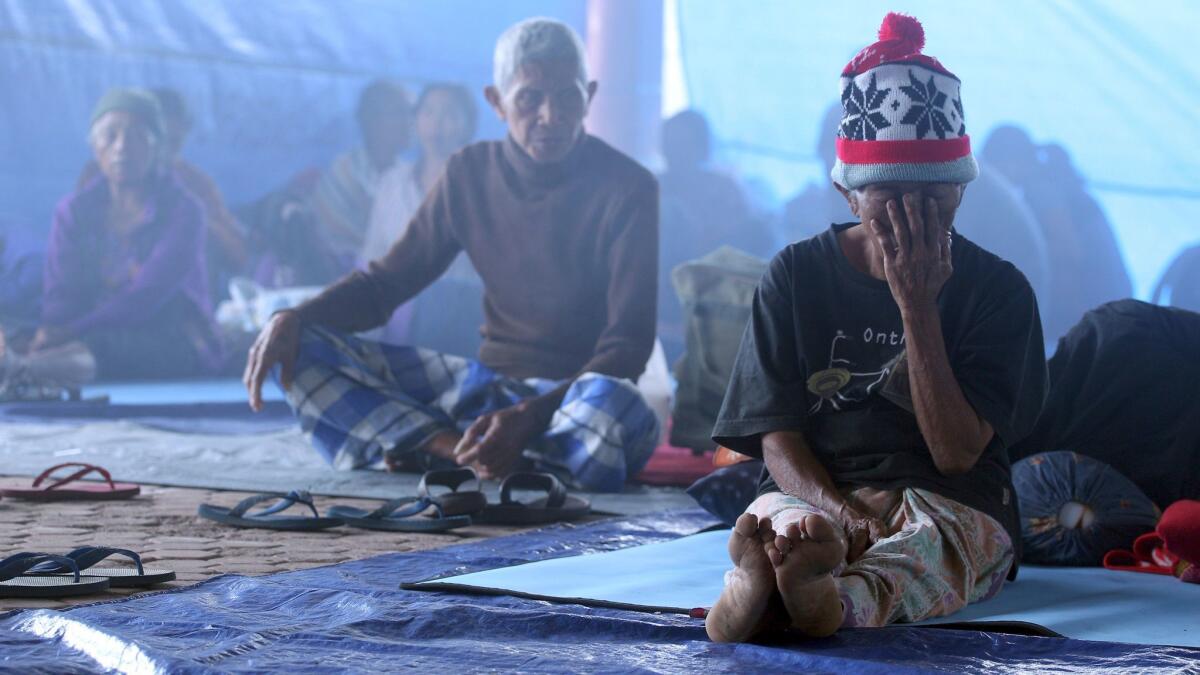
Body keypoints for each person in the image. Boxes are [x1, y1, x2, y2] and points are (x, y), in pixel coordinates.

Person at [704, 13, 1047, 642]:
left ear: (964, 191)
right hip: (817, 493)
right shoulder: (795, 275)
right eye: (892, 199)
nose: (916, 217)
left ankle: (826, 602)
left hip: (948, 501)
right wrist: (839, 512)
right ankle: (761, 583)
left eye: (936, 197)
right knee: (779, 527)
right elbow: (776, 436)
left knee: (931, 550)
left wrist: (916, 305)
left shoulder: (1000, 292)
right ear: (848, 195)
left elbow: (955, 452)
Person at [243, 18, 660, 493]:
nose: (551, 115)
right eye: (529, 98)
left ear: (589, 95)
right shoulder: (468, 173)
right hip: (484, 394)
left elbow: (628, 346)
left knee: (615, 408)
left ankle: (433, 446)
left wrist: (530, 415)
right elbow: (384, 286)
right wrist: (292, 317)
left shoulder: (628, 187)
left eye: (568, 97)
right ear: (497, 102)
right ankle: (461, 450)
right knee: (301, 349)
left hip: (575, 401)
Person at [35, 88, 222, 379]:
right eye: (110, 135)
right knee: (27, 336)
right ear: (94, 146)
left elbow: (146, 296)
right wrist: (49, 334)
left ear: (157, 148)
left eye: (137, 137)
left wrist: (70, 332)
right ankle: (38, 363)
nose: (122, 147)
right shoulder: (74, 211)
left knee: (102, 346)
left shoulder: (185, 210)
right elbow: (61, 292)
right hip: (91, 329)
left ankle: (21, 370)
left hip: (172, 334)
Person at [78, 88, 248, 295]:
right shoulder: (97, 177)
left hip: (171, 308)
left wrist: (197, 223)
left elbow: (237, 255)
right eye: (141, 139)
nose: (163, 154)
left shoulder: (194, 188)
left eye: (174, 144)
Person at [359, 83, 485, 355]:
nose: (436, 124)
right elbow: (374, 253)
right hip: (397, 319)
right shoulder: (393, 183)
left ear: (467, 125)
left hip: (461, 320)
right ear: (415, 121)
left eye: (449, 114)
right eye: (428, 112)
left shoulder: (481, 185)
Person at [657, 110, 771, 363]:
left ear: (701, 148)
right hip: (664, 298)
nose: (677, 153)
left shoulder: (723, 190)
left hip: (715, 298)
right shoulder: (653, 187)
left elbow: (745, 243)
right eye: (671, 144)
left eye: (684, 145)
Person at [310, 79, 412, 269]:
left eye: (410, 113)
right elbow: (340, 237)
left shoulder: (410, 176)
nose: (409, 123)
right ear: (371, 121)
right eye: (398, 113)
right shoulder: (343, 173)